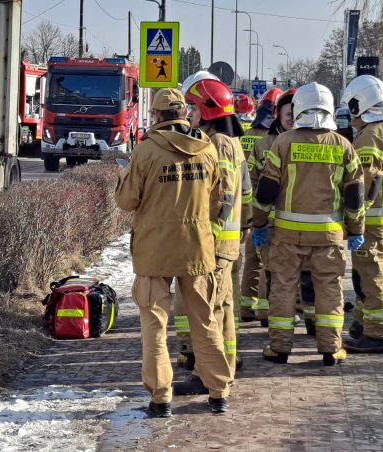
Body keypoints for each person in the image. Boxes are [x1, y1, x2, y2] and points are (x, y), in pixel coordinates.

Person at [115, 88, 232, 417]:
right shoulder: (206, 148)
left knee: (154, 326)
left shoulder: (146, 150)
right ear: (184, 112)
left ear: (156, 115)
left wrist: (123, 178)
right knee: (205, 322)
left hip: (154, 250)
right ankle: (218, 392)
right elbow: (219, 200)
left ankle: (161, 398)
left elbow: (126, 201)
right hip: (197, 247)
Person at [252, 82, 365, 366]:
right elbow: (355, 196)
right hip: (328, 236)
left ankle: (279, 348)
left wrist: (259, 223)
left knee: (283, 288)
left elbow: (266, 190)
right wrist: (356, 229)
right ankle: (331, 349)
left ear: (299, 108)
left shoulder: (283, 143)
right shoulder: (342, 145)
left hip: (287, 235)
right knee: (329, 290)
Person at [173, 77, 251, 392]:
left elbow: (225, 194)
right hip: (227, 241)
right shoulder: (231, 142)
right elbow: (246, 193)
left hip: (215, 242)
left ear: (207, 110)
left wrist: (210, 233)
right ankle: (225, 365)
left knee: (210, 310)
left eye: (193, 108)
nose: (189, 114)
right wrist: (245, 224)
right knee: (224, 307)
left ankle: (208, 377)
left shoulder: (216, 143)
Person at [341, 76, 383, 354]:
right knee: (365, 275)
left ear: (361, 104)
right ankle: (362, 323)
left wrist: (353, 221)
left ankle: (378, 333)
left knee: (370, 276)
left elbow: (365, 185)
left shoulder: (371, 135)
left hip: (371, 221)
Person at [240, 87, 282, 323]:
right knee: (271, 265)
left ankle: (246, 307)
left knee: (252, 261)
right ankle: (268, 310)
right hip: (269, 210)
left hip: (248, 206)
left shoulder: (245, 134)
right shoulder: (274, 140)